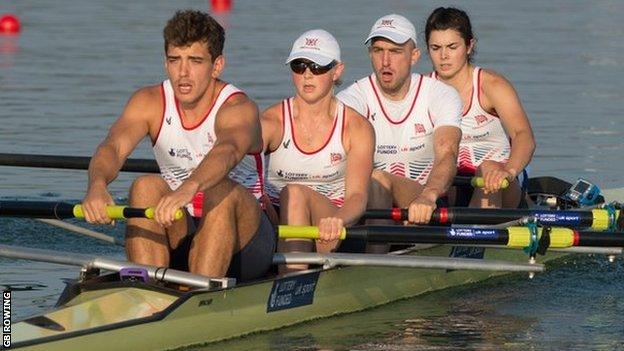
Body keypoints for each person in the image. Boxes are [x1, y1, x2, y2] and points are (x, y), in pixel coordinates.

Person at [81, 10, 275, 282]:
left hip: (247, 243)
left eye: (195, 61)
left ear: (217, 65)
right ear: (165, 63)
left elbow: (227, 150)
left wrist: (188, 188)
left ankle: (199, 299)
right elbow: (113, 147)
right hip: (182, 227)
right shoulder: (149, 101)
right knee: (145, 186)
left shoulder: (238, 108)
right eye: (175, 60)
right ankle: (144, 288)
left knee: (219, 188)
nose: (183, 73)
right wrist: (97, 186)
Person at [263, 29, 374, 270]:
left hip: (331, 227)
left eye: (318, 67)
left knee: (295, 194)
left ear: (337, 71)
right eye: (299, 66)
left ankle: (290, 282)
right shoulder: (271, 121)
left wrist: (338, 220)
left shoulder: (356, 127)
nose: (307, 75)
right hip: (278, 224)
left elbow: (357, 198)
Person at [337, 14, 462, 226]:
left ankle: (375, 255)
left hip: (424, 202)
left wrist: (428, 196)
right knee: (376, 180)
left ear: (414, 56)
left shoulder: (441, 94)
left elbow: (447, 154)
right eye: (378, 51)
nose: (385, 61)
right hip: (366, 202)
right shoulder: (351, 99)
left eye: (395, 52)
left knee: (379, 179)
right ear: (370, 54)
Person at [425, 7, 535, 208]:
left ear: (469, 46)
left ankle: (475, 233)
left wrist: (508, 172)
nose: (443, 56)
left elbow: (523, 136)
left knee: (488, 169)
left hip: (498, 184)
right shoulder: (422, 90)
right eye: (435, 48)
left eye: (452, 47)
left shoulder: (492, 86)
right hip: (447, 188)